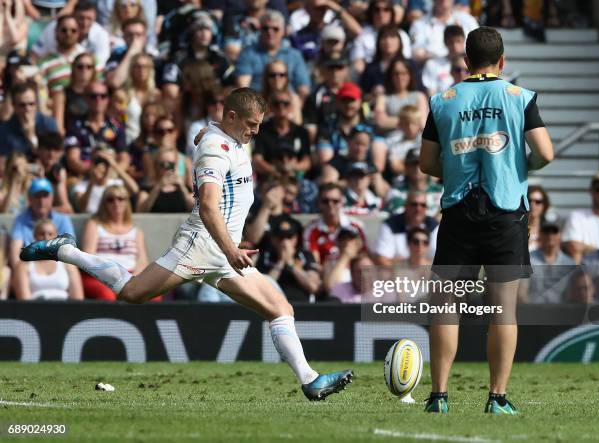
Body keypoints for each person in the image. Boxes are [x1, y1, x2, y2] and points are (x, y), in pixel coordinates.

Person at [21, 87, 353, 400]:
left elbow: (211, 135)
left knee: (281, 309)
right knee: (132, 293)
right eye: (251, 125)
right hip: (202, 245)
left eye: (258, 126)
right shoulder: (215, 149)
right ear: (233, 117)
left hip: (223, 253)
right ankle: (66, 250)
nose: (255, 132)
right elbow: (209, 206)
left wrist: (230, 249)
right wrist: (231, 249)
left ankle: (310, 380)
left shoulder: (223, 136)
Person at [419, 27, 554, 414]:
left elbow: (427, 163)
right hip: (506, 211)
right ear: (502, 60)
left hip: (460, 211)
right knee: (503, 309)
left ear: (465, 61)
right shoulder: (519, 97)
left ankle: (439, 397)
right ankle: (496, 398)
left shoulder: (443, 100)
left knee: (445, 304)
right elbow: (545, 152)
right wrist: (516, 168)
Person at [79, 185, 148, 301]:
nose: (116, 203)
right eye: (110, 199)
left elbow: (142, 261)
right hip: (100, 276)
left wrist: (131, 279)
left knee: (152, 294)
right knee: (106, 294)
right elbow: (88, 257)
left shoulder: (136, 231)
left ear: (127, 202)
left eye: (121, 199)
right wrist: (112, 276)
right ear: (104, 204)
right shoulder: (95, 224)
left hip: (130, 275)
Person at [235, 10, 311, 100]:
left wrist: (294, 108)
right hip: (257, 105)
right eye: (265, 28)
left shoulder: (294, 55)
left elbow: (303, 90)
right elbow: (243, 88)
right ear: (259, 30)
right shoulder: (247, 53)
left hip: (287, 105)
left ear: (283, 31)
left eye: (275, 29)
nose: (270, 32)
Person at [65, 81, 129, 177]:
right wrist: (93, 172)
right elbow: (73, 160)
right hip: (83, 177)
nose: (98, 100)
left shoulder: (116, 126)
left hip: (111, 176)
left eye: (103, 96)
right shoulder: (75, 126)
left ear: (108, 99)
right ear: (85, 98)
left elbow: (124, 158)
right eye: (93, 96)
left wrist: (111, 174)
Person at [10, 177, 75, 268]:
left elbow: (71, 251)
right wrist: (22, 273)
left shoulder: (63, 220)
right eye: (37, 196)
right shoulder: (20, 220)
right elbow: (15, 255)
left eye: (45, 195)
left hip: (59, 269)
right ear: (30, 198)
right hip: (28, 270)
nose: (42, 201)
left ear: (52, 197)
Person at [256, 214, 321, 302]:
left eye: (289, 237)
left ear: (296, 238)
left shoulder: (305, 254)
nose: (285, 242)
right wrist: (281, 262)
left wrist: (290, 264)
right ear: (273, 239)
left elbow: (313, 286)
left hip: (304, 305)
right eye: (281, 238)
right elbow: (262, 288)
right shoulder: (265, 255)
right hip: (275, 305)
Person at [14, 218, 83, 300]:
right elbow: (24, 301)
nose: (46, 237)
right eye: (41, 234)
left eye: (50, 234)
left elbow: (78, 299)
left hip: (64, 309)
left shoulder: (68, 264)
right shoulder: (23, 266)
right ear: (34, 236)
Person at [374, 191, 438, 265]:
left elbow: (441, 261)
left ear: (427, 208)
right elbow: (382, 260)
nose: (418, 209)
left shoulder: (434, 226)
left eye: (422, 205)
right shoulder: (390, 225)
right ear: (405, 206)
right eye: (414, 204)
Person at [561, 173, 599, 264]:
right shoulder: (577, 216)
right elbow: (574, 246)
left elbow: (578, 246)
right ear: (590, 191)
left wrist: (585, 248)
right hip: (586, 270)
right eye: (598, 189)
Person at [136, 147, 194, 213]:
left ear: (176, 166)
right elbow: (140, 211)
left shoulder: (186, 189)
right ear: (156, 166)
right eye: (162, 165)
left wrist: (182, 188)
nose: (166, 168)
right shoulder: (146, 191)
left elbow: (195, 210)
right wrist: (158, 187)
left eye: (170, 165)